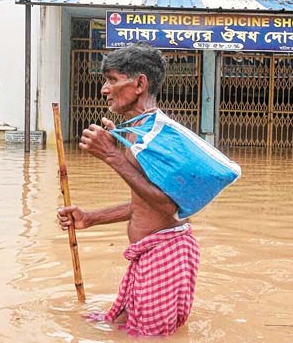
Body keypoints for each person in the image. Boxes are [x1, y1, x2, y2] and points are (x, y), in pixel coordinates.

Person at [57, 42, 200, 336]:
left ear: (139, 84)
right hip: (150, 253)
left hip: (165, 256)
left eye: (111, 79)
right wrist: (91, 218)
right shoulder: (137, 129)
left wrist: (111, 156)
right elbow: (145, 204)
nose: (104, 89)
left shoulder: (156, 134)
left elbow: (168, 206)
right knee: (115, 325)